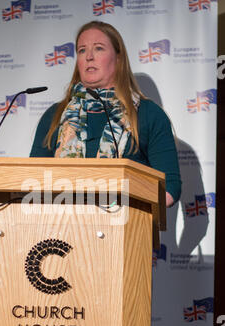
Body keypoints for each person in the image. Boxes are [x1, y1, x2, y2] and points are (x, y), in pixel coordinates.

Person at [30, 21, 181, 207]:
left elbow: (169, 188)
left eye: (99, 48)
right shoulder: (55, 115)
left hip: (124, 228)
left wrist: (129, 205)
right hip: (61, 230)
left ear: (118, 59)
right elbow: (33, 181)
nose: (89, 57)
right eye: (82, 50)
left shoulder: (147, 114)